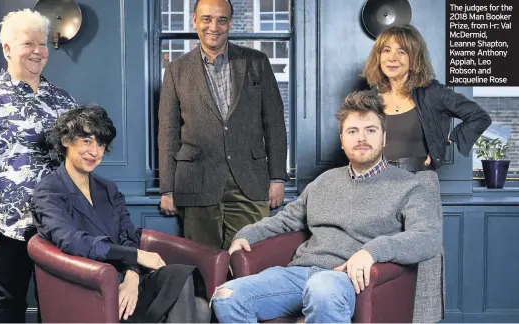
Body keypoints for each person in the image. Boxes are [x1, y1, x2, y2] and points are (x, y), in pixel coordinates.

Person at [210, 91, 443, 323]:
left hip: (350, 280)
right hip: (301, 273)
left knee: (321, 288)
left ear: (383, 138)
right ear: (342, 140)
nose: (361, 138)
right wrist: (247, 235)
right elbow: (284, 220)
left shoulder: (409, 186)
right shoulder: (324, 181)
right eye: (353, 131)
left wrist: (372, 251)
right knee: (226, 297)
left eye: (370, 130)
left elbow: (428, 238)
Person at [32, 106, 211, 323]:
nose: (95, 152)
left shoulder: (108, 189)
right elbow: (72, 242)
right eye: (87, 141)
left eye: (101, 144)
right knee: (196, 310)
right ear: (66, 141)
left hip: (128, 279)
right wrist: (136, 256)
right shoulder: (49, 190)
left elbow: (128, 237)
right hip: (92, 287)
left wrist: (133, 275)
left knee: (183, 278)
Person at [0, 9, 76, 323]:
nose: (37, 50)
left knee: (61, 300)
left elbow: (77, 158)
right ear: (7, 48)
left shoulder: (63, 100)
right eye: (28, 43)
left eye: (42, 43)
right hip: (6, 225)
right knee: (11, 302)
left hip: (58, 223)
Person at [158, 0, 289, 250]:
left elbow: (274, 123)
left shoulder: (257, 61)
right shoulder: (176, 70)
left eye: (222, 20)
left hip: (250, 180)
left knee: (249, 264)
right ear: (194, 21)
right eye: (206, 19)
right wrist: (167, 189)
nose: (213, 27)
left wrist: (277, 178)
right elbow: (168, 133)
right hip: (196, 180)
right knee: (204, 265)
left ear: (229, 23)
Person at [362, 24, 491, 172]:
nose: (392, 58)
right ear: (378, 57)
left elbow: (480, 117)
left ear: (414, 60)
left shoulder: (432, 93)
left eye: (401, 52)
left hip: (418, 181)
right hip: (378, 180)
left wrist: (443, 141)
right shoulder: (370, 99)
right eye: (386, 50)